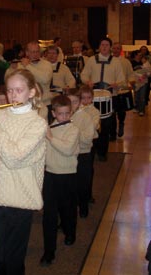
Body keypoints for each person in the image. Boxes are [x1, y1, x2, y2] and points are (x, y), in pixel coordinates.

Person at [0, 68, 47, 275]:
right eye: (10, 91)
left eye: (19, 90)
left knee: (12, 260)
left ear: (31, 92)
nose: (13, 96)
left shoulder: (37, 123)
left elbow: (13, 157)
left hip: (21, 199)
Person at [41, 95, 79, 266]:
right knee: (49, 215)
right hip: (50, 175)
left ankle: (70, 233)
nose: (64, 117)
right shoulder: (49, 128)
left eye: (67, 114)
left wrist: (50, 137)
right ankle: (49, 251)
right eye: (60, 114)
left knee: (68, 209)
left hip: (68, 175)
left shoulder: (73, 130)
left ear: (71, 113)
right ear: (54, 113)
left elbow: (67, 149)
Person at [81, 37, 125, 160]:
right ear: (99, 47)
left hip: (110, 97)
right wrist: (87, 81)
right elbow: (84, 75)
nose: (104, 47)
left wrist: (117, 84)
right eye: (102, 45)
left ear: (110, 47)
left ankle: (102, 153)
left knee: (105, 126)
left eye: (107, 45)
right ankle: (92, 149)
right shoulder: (91, 60)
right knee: (91, 123)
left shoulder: (116, 61)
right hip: (92, 97)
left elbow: (122, 79)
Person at [67, 88, 97, 218]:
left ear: (79, 103)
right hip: (68, 154)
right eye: (69, 102)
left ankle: (83, 206)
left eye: (75, 102)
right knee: (70, 185)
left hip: (83, 153)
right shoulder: (64, 115)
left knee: (83, 183)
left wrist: (73, 132)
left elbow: (87, 139)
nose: (72, 105)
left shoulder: (86, 116)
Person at [79, 85, 101, 203]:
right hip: (77, 143)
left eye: (88, 98)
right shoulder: (76, 111)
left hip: (90, 143)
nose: (86, 101)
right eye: (83, 98)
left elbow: (93, 126)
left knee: (88, 170)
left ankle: (88, 194)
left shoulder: (95, 112)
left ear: (92, 98)